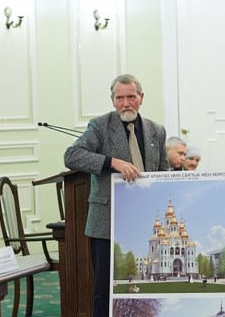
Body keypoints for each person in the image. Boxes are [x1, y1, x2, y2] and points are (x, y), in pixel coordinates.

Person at [63, 73, 170, 317]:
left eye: (131, 97)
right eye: (119, 98)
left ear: (141, 98)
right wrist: (112, 162)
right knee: (105, 289)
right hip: (106, 223)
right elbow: (72, 156)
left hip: (145, 222)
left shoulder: (157, 131)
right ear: (112, 101)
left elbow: (165, 172)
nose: (126, 103)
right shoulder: (100, 126)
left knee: (147, 288)